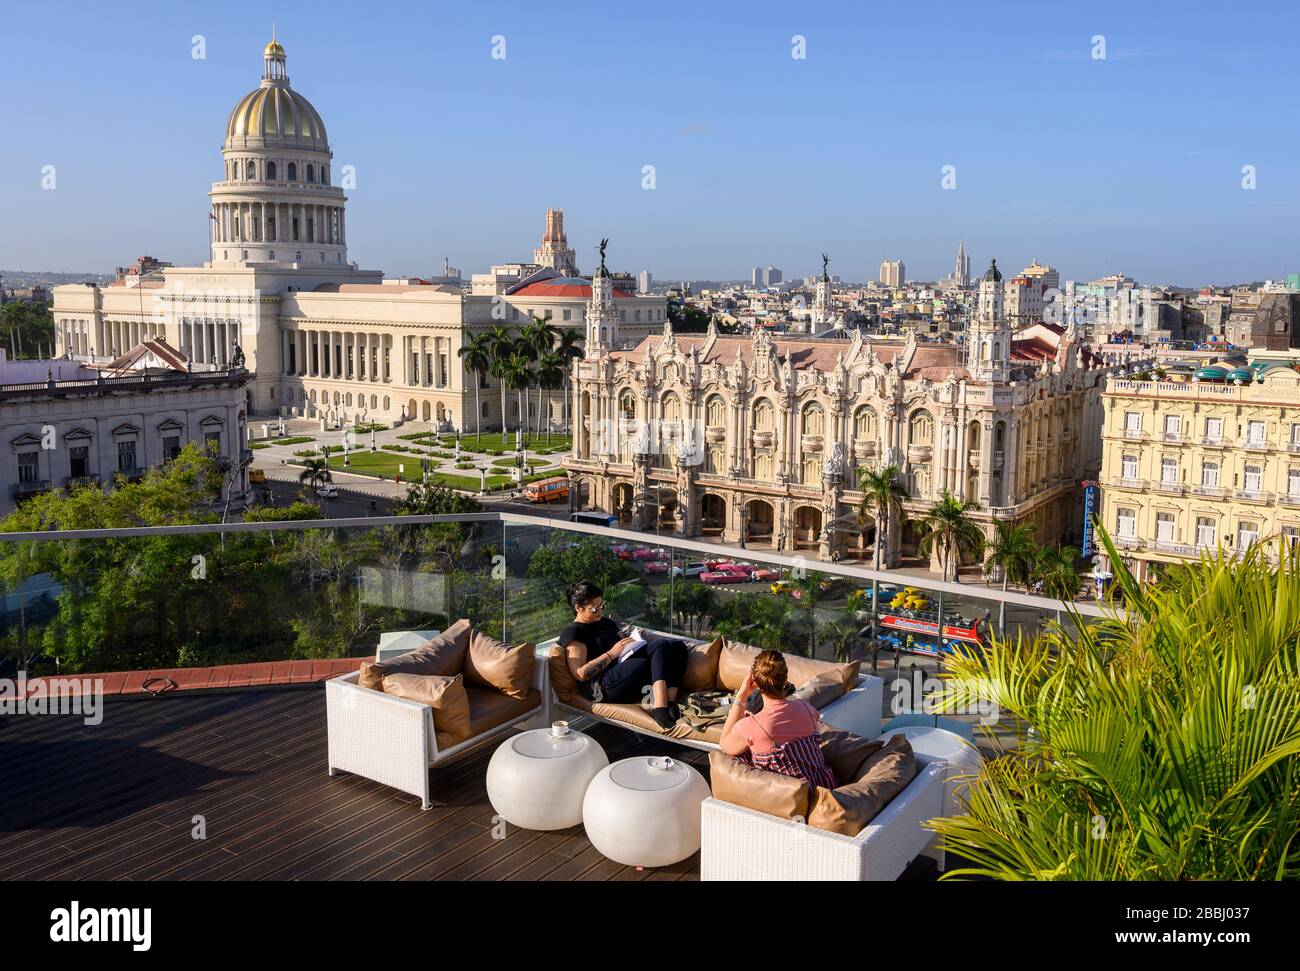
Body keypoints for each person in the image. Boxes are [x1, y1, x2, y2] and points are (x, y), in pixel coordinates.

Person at [558, 580, 689, 731]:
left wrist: (632, 643)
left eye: (602, 605)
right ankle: (660, 707)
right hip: (603, 686)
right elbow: (581, 674)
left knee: (674, 646)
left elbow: (624, 644)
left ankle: (669, 702)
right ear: (578, 608)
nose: (600, 611)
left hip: (623, 668)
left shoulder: (606, 622)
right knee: (646, 662)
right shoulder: (574, 632)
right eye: (594, 609)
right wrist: (612, 653)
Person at [718, 649, 835, 788]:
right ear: (785, 680)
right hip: (824, 787)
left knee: (737, 754)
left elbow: (724, 745)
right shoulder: (806, 708)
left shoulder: (751, 726)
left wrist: (741, 696)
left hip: (792, 798)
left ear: (755, 683)